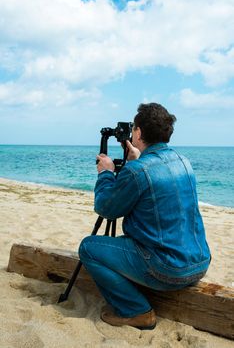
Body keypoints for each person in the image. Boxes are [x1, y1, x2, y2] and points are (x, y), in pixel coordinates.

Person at [79, 103, 211, 330]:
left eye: (133, 130)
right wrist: (136, 162)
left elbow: (106, 208)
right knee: (125, 243)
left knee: (88, 248)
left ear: (138, 132)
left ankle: (137, 312)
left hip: (167, 270)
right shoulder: (184, 161)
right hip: (198, 263)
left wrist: (106, 174)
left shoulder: (138, 170)